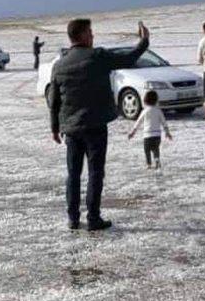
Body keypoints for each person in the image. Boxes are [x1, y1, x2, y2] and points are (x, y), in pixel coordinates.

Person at [48, 18, 150, 231]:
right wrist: (144, 41)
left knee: (73, 174)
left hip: (72, 129)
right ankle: (93, 218)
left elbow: (53, 100)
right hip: (95, 127)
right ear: (83, 35)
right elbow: (128, 58)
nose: (93, 36)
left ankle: (73, 218)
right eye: (91, 32)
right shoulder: (97, 57)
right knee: (95, 172)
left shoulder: (59, 65)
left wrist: (55, 127)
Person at [127, 90, 172, 170]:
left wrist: (132, 132)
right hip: (157, 135)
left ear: (145, 100)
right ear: (156, 100)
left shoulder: (144, 111)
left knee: (147, 150)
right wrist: (167, 132)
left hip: (147, 135)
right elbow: (164, 122)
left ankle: (149, 164)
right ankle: (157, 160)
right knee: (155, 149)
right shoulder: (158, 111)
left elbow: (138, 122)